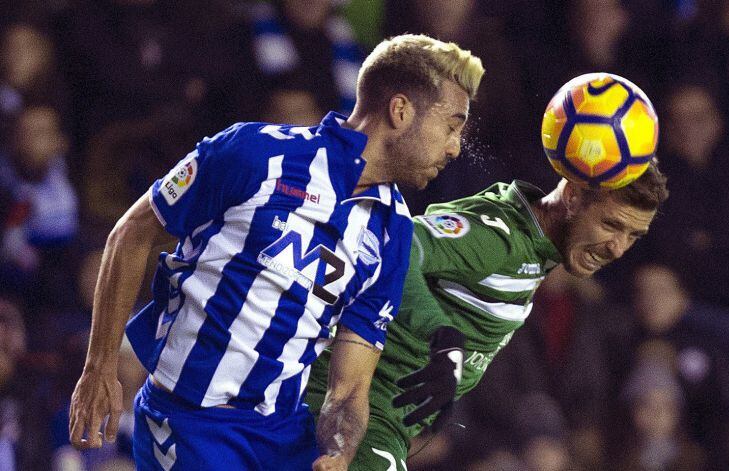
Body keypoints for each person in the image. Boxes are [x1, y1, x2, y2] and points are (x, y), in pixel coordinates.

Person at [68, 33, 484, 471]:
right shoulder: (255, 153)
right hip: (187, 423)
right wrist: (99, 365)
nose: (455, 147)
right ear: (400, 111)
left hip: (283, 435)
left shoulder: (393, 231)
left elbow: (349, 389)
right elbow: (132, 233)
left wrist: (339, 453)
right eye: (451, 126)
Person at [306, 160, 669, 470]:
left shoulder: (532, 248)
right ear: (572, 197)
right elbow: (395, 248)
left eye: (634, 235)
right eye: (611, 225)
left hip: (380, 418)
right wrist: (441, 334)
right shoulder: (500, 240)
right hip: (354, 409)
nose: (619, 248)